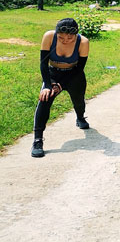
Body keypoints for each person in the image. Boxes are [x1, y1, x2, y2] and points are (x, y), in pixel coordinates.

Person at [32, 18, 91, 158]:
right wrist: (47, 85)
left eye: (70, 37)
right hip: (53, 74)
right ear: (56, 33)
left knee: (78, 101)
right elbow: (43, 64)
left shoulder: (83, 42)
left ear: (76, 34)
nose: (65, 40)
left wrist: (61, 85)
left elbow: (79, 69)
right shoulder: (49, 36)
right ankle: (37, 140)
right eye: (61, 37)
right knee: (45, 99)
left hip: (73, 75)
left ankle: (80, 117)